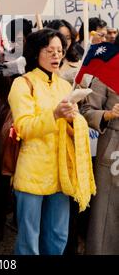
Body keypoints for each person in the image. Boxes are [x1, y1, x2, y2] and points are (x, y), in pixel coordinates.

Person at [8, 28, 96, 255]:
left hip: (61, 172)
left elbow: (71, 127)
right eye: (49, 51)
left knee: (58, 235)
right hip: (32, 171)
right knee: (29, 238)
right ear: (36, 53)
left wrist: (73, 120)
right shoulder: (22, 84)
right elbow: (24, 127)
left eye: (60, 50)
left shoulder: (65, 86)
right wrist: (55, 115)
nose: (56, 56)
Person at [0, 18, 32, 242]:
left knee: (26, 172)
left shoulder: (35, 58)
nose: (22, 40)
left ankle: (17, 216)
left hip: (32, 123)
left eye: (26, 36)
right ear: (11, 38)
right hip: (6, 122)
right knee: (1, 173)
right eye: (18, 36)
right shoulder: (2, 58)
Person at [80, 33, 119, 254]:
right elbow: (86, 110)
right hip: (114, 146)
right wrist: (108, 114)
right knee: (107, 214)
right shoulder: (106, 70)